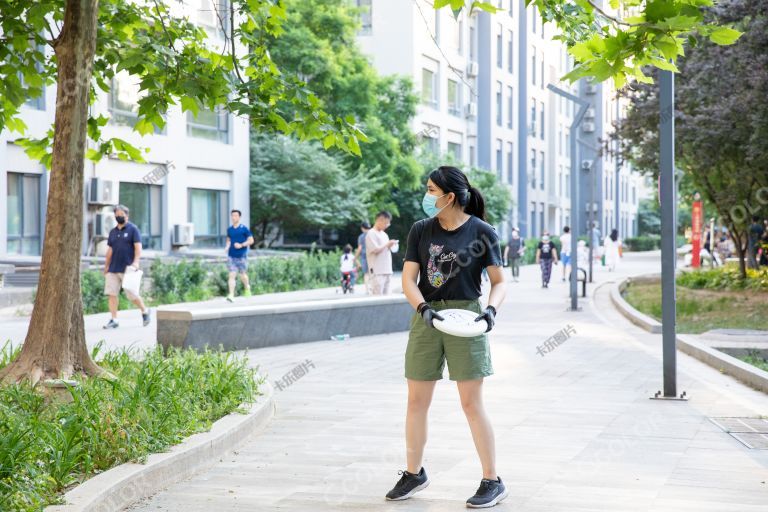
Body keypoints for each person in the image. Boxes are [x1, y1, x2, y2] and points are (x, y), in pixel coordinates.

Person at [388, 166, 507, 508]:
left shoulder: (482, 231)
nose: (426, 196)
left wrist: (491, 312)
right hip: (427, 317)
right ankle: (414, 473)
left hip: (467, 318)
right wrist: (423, 308)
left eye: (430, 189)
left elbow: (499, 282)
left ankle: (492, 480)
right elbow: (409, 279)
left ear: (449, 196)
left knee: (471, 403)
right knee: (416, 401)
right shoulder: (421, 230)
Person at [103, 205, 150, 329]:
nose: (119, 217)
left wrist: (136, 262)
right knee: (112, 294)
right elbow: (110, 250)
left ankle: (144, 311)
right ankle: (114, 319)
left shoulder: (133, 229)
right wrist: (106, 266)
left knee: (132, 294)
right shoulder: (113, 232)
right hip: (113, 268)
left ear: (126, 215)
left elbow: (138, 247)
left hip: (128, 268)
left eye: (121, 215)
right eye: (117, 215)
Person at [225, 209, 255, 302]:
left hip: (241, 255)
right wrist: (227, 246)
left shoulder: (244, 229)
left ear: (239, 217)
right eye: (232, 215)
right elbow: (228, 240)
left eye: (235, 215)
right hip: (231, 255)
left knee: (243, 275)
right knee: (232, 275)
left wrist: (241, 245)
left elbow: (251, 241)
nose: (233, 217)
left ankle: (247, 288)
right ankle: (231, 295)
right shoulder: (229, 229)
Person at [366, 211, 397, 295]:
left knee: (387, 298)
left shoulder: (384, 234)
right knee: (378, 297)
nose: (387, 225)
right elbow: (375, 249)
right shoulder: (371, 233)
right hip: (377, 271)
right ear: (380, 220)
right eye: (386, 223)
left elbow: (384, 249)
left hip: (387, 270)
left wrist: (390, 245)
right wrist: (387, 244)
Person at [354, 221, 372, 294]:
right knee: (373, 273)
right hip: (373, 256)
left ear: (362, 228)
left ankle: (367, 289)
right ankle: (372, 288)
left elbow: (360, 248)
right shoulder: (373, 234)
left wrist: (355, 257)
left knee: (366, 273)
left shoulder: (361, 236)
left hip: (364, 256)